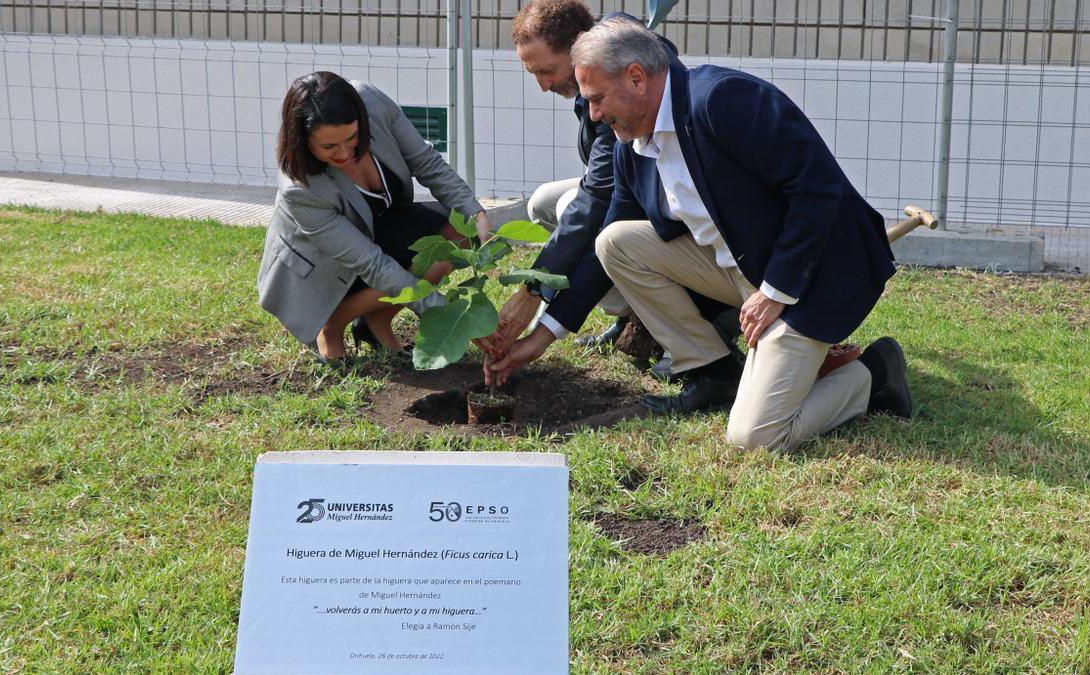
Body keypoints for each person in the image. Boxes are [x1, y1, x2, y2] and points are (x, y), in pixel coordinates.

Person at [562, 19, 911, 452]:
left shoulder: (722, 100)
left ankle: (873, 373)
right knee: (616, 241)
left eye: (596, 99)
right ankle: (713, 371)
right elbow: (611, 239)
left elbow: (817, 189)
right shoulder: (629, 145)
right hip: (743, 268)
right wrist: (543, 334)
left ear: (636, 78)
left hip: (812, 277)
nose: (593, 114)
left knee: (755, 437)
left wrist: (776, 291)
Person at [482, 1, 736, 380]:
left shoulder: (622, 88)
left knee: (587, 217)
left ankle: (702, 321)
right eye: (533, 73)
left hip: (689, 219)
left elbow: (598, 201)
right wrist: (540, 329)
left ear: (576, 43)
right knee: (545, 203)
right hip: (640, 194)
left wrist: (533, 289)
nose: (544, 85)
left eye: (547, 70)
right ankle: (632, 312)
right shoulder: (604, 69)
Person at [257, 71, 492, 361]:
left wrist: (475, 212)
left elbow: (426, 162)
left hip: (374, 229)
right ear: (302, 141)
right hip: (325, 268)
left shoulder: (371, 102)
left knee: (458, 234)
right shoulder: (301, 188)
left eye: (352, 138)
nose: (344, 153)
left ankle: (375, 321)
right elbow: (370, 263)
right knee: (400, 265)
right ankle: (331, 325)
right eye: (329, 147)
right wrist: (448, 315)